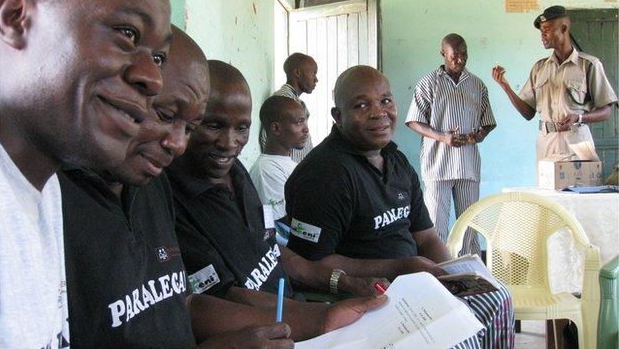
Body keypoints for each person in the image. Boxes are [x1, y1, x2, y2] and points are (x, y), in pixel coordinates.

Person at [61, 27, 294, 349]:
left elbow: (179, 301)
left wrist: (306, 323)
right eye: (165, 115)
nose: (178, 144)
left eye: (190, 127)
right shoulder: (53, 202)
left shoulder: (151, 186)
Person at [285, 65, 515, 349]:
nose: (378, 113)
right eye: (361, 105)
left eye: (385, 101)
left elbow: (427, 237)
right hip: (365, 299)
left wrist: (451, 277)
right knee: (457, 340)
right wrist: (404, 267)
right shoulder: (323, 175)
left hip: (415, 286)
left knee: (496, 298)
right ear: (338, 116)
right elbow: (313, 263)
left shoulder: (397, 161)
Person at [167, 60, 387, 341]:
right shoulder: (174, 201)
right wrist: (320, 319)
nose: (228, 142)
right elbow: (227, 298)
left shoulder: (235, 173)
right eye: (213, 125)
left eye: (242, 128)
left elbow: (273, 251)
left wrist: (345, 282)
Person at [0, 0, 171, 347]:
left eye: (158, 58)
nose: (154, 79)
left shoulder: (44, 186)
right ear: (16, 18)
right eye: (127, 33)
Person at [406, 33, 496, 255]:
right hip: (438, 165)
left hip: (468, 166)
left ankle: (470, 275)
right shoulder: (428, 83)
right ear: (443, 54)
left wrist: (479, 135)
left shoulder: (477, 84)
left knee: (470, 225)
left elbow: (488, 123)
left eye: (464, 55)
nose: (460, 60)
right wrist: (442, 137)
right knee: (435, 227)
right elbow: (413, 121)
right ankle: (437, 275)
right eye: (455, 55)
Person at [492, 5, 617, 163]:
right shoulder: (539, 68)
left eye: (547, 29)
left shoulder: (589, 65)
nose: (542, 35)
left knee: (581, 188)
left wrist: (578, 117)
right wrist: (505, 86)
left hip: (577, 141)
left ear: (563, 28)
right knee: (547, 187)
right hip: (547, 143)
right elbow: (528, 114)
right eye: (541, 31)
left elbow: (606, 111)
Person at [250, 96, 309, 230]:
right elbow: (280, 223)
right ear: (276, 128)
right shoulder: (266, 170)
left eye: (305, 122)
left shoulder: (287, 163)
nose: (306, 129)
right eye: (299, 122)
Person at [259, 53, 318, 163]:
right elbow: (266, 139)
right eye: (313, 73)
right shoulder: (283, 101)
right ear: (297, 73)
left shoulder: (296, 102)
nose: (316, 79)